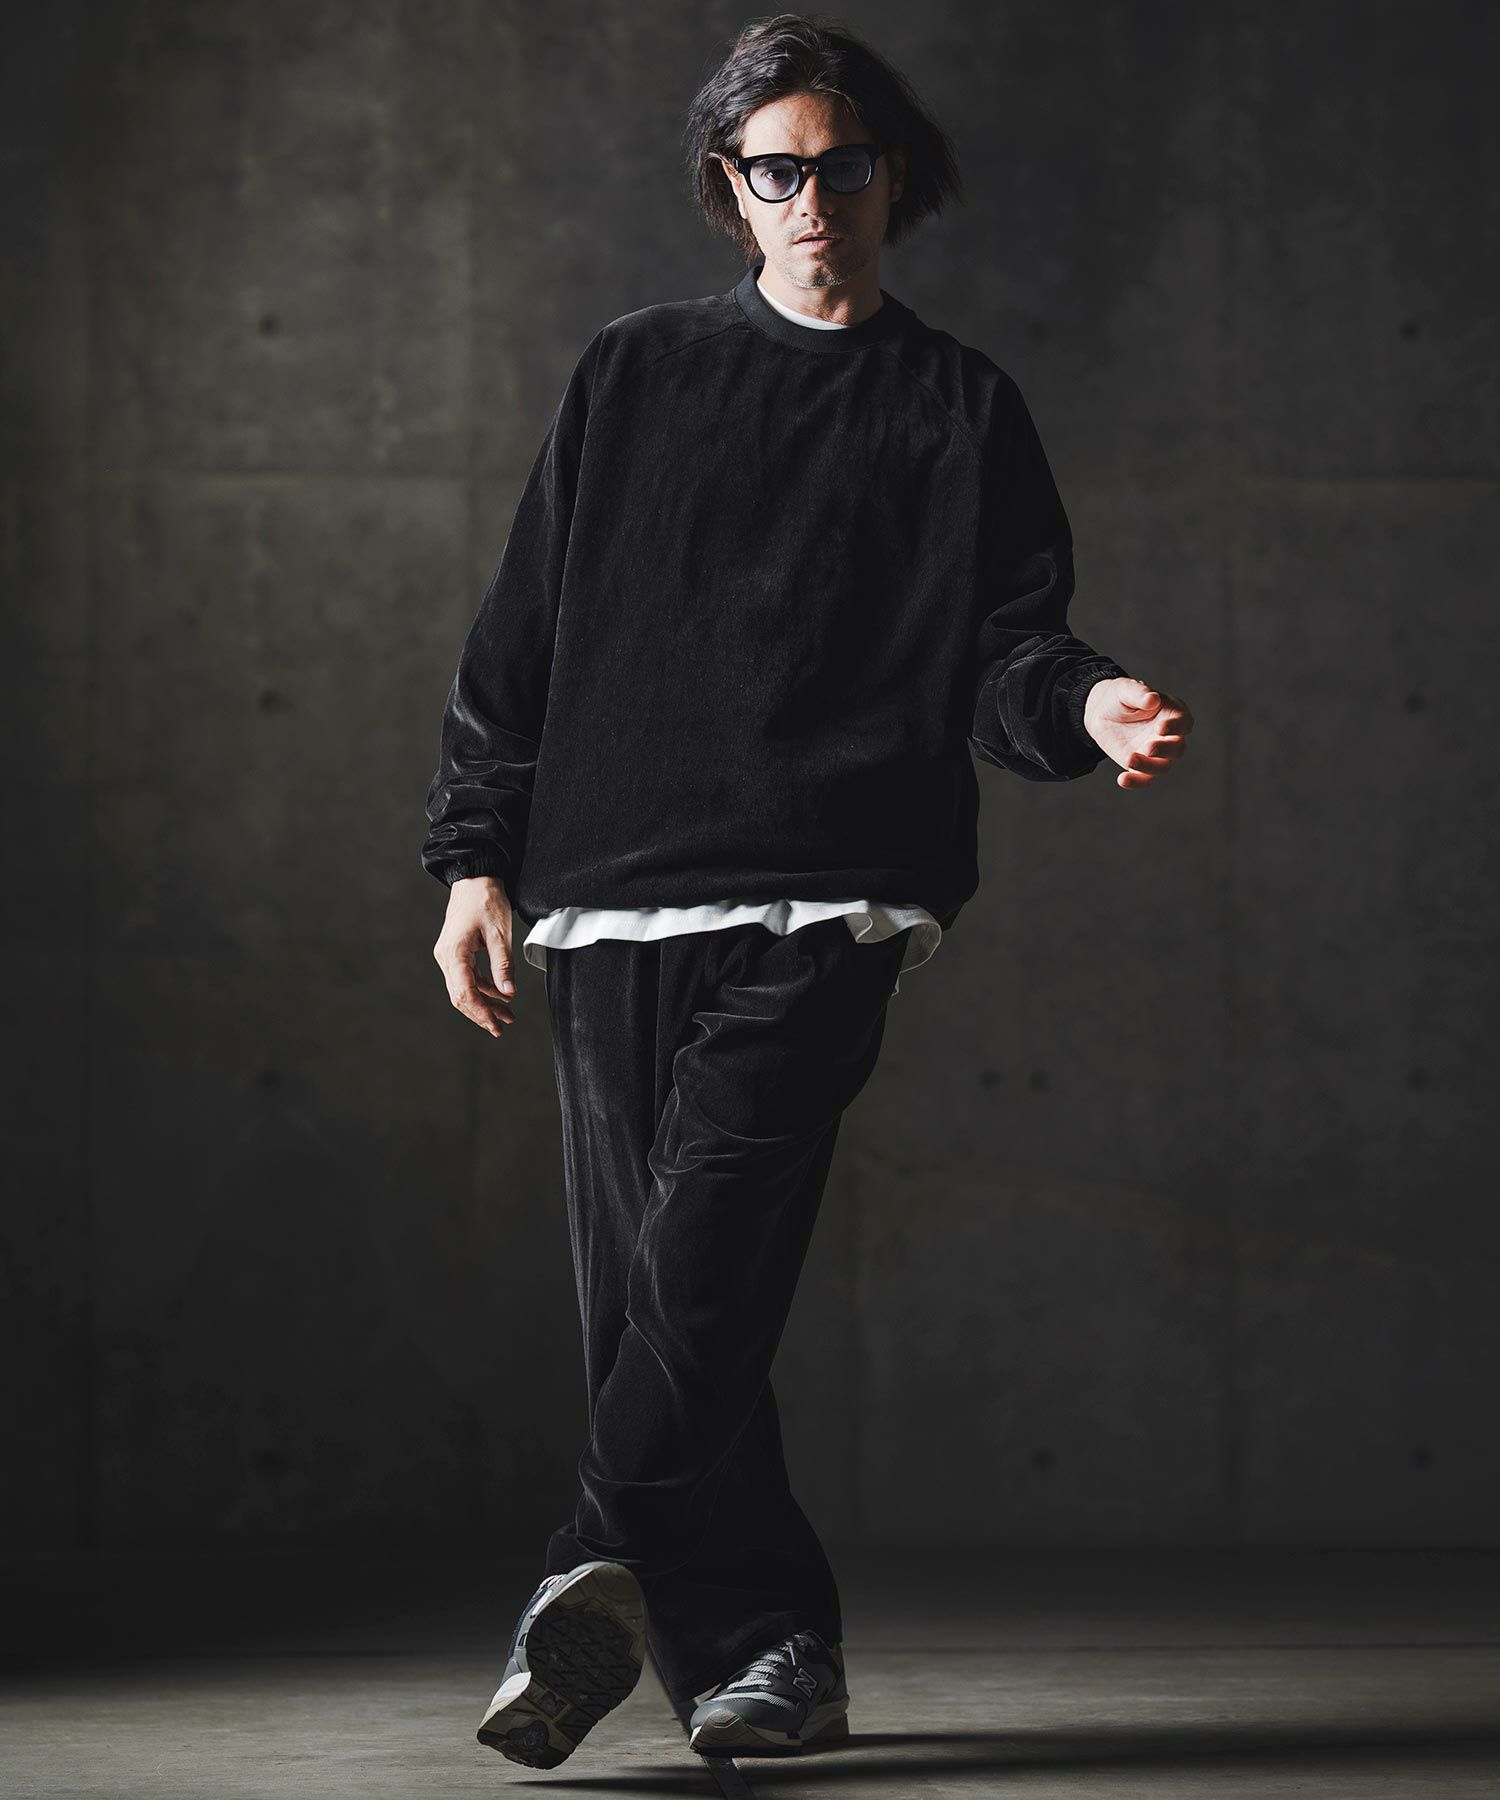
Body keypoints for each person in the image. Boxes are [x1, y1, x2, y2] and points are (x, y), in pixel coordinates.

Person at [422, 12, 1193, 1771]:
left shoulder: (957, 406)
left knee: (702, 1266)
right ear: (733, 186)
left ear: (892, 178)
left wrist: (1086, 705)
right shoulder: (634, 373)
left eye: (843, 166)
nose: (813, 198)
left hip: (830, 897)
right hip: (607, 896)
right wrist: (473, 854)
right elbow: (518, 635)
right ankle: (770, 1652)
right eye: (777, 170)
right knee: (659, 1305)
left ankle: (585, 1567)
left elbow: (1007, 651)